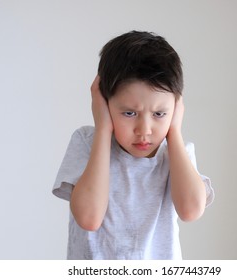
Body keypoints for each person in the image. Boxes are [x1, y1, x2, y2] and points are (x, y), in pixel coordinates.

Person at [53, 30, 214, 260]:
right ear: (105, 104)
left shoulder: (177, 154)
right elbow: (89, 218)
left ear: (176, 108)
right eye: (129, 113)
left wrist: (174, 132)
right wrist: (102, 130)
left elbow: (191, 210)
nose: (144, 129)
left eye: (159, 113)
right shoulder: (88, 143)